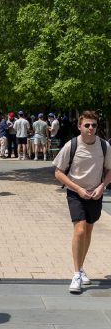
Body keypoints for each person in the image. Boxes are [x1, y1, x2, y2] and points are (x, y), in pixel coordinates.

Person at [53, 110, 111, 294]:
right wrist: (77, 188)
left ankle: (81, 267)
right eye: (87, 125)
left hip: (95, 194)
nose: (91, 128)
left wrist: (102, 186)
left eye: (93, 125)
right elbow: (58, 172)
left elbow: (109, 170)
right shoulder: (72, 145)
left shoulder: (104, 146)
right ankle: (76, 274)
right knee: (79, 230)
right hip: (75, 193)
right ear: (80, 126)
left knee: (88, 231)